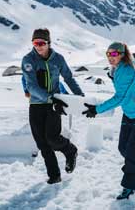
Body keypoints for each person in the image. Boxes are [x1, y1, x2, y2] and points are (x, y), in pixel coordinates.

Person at [82, 42, 135, 199]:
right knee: (123, 148)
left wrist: (97, 109)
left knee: (131, 151)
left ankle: (128, 187)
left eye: (114, 54)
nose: (110, 57)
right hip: (129, 114)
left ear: (122, 54)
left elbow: (120, 97)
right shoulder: (116, 70)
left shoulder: (126, 71)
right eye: (108, 54)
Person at [21, 28, 84, 184]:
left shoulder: (58, 59)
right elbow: (31, 86)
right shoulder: (28, 60)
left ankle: (70, 151)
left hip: (55, 105)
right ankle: (54, 175)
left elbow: (69, 78)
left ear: (48, 43)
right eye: (35, 43)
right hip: (37, 105)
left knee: (53, 138)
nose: (38, 46)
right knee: (42, 143)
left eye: (42, 43)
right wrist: (49, 98)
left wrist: (81, 98)